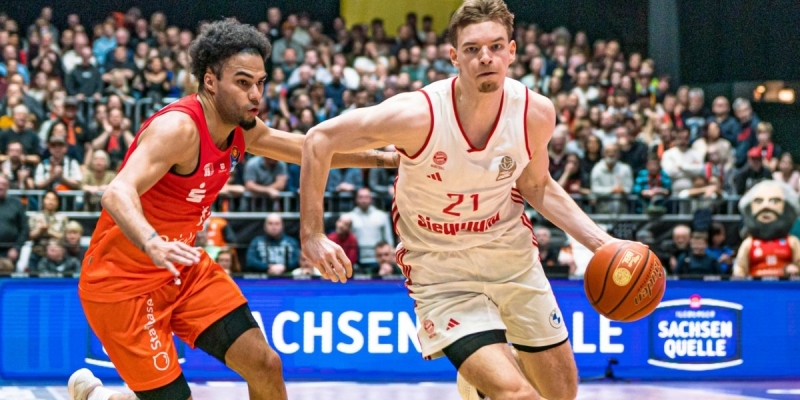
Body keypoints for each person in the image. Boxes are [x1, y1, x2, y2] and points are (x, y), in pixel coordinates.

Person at [299, 1, 628, 399]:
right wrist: (312, 234)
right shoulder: (417, 115)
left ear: (512, 51)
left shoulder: (535, 113)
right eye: (472, 49)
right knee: (518, 395)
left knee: (561, 394)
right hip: (441, 270)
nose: (485, 57)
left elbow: (538, 185)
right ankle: (486, 379)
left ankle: (478, 384)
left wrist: (603, 244)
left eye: (495, 46)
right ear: (454, 56)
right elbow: (319, 139)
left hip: (510, 258)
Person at [67, 19, 396, 400]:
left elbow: (310, 149)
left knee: (265, 364)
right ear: (210, 81)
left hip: (182, 269)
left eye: (260, 83)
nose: (255, 94)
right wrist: (152, 242)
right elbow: (117, 191)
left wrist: (385, 160)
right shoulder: (178, 129)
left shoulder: (242, 129)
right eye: (242, 83)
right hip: (122, 284)